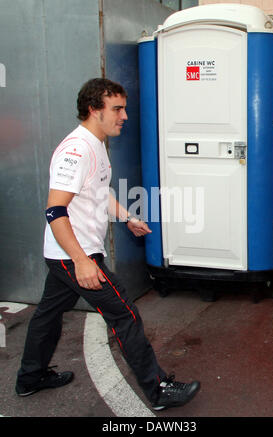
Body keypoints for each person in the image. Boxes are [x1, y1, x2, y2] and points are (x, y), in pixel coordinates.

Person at [15, 78, 200, 411]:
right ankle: (159, 391)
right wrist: (81, 261)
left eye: (124, 108)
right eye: (117, 108)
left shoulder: (96, 144)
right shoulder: (77, 150)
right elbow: (55, 210)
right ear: (93, 110)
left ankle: (31, 377)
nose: (124, 116)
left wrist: (127, 216)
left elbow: (99, 193)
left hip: (66, 255)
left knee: (48, 315)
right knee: (125, 314)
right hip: (75, 255)